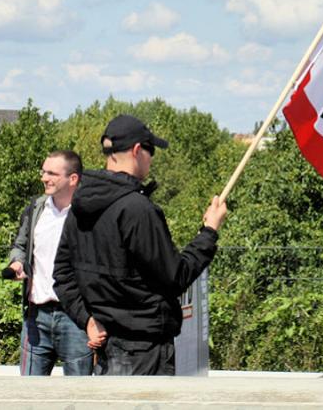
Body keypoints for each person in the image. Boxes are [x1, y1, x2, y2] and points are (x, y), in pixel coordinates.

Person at [53, 114, 227, 376]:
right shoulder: (137, 209)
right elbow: (175, 277)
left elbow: (62, 274)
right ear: (137, 151)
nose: (152, 158)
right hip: (145, 354)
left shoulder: (80, 204)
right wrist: (209, 232)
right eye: (150, 150)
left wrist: (87, 320)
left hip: (108, 350)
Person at [8, 150, 92, 375]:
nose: (44, 178)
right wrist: (17, 263)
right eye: (44, 171)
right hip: (36, 318)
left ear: (73, 179)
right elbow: (20, 246)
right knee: (30, 397)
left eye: (52, 173)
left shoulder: (89, 214)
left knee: (79, 396)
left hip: (75, 319)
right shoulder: (36, 208)